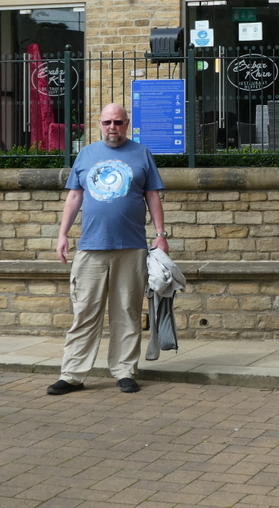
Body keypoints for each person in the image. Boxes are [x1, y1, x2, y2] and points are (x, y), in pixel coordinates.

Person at [47, 103, 169, 395]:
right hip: (91, 246)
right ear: (99, 124)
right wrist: (62, 234)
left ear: (127, 124)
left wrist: (161, 235)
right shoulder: (86, 154)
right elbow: (74, 197)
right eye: (107, 122)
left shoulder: (141, 153)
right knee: (85, 312)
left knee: (127, 312)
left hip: (131, 247)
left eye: (118, 122)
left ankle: (124, 371)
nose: (112, 127)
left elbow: (152, 195)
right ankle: (72, 375)